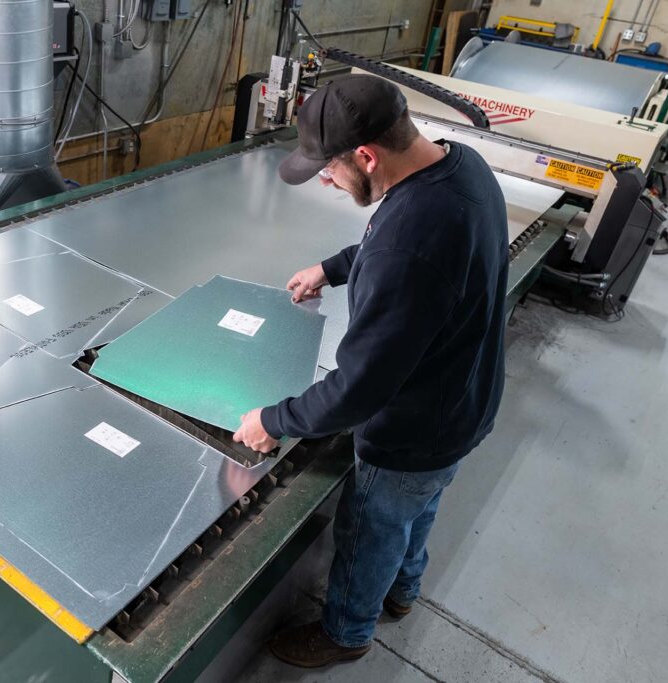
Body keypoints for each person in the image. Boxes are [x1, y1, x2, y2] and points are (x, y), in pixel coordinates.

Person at [231, 75, 509, 668]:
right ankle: (404, 592)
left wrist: (273, 420)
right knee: (419, 507)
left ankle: (347, 633)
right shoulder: (462, 168)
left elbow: (358, 388)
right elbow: (415, 253)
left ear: (365, 155)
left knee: (370, 530)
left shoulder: (408, 239)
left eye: (328, 168)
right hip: (466, 401)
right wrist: (332, 268)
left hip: (413, 429)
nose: (326, 181)